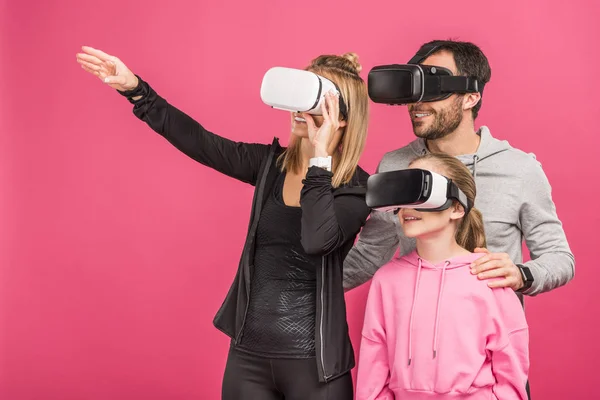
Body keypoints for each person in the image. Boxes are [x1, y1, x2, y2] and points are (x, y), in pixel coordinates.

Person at [76, 46, 371, 400]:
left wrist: (320, 162)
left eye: (316, 103)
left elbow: (317, 240)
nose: (301, 110)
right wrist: (137, 90)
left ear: (343, 118)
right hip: (248, 360)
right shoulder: (269, 165)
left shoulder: (357, 189)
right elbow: (201, 142)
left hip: (316, 366)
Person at [344, 39, 574, 297]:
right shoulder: (395, 165)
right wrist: (297, 288)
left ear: (470, 98)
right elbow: (370, 253)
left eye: (432, 89)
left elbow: (559, 257)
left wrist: (521, 274)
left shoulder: (519, 169)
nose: (417, 104)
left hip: (490, 327)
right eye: (414, 89)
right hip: (415, 323)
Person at [355, 153, 529, 400]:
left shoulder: (489, 276)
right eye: (404, 195)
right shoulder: (386, 280)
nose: (407, 207)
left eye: (421, 193)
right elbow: (373, 368)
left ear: (457, 208)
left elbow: (510, 376)